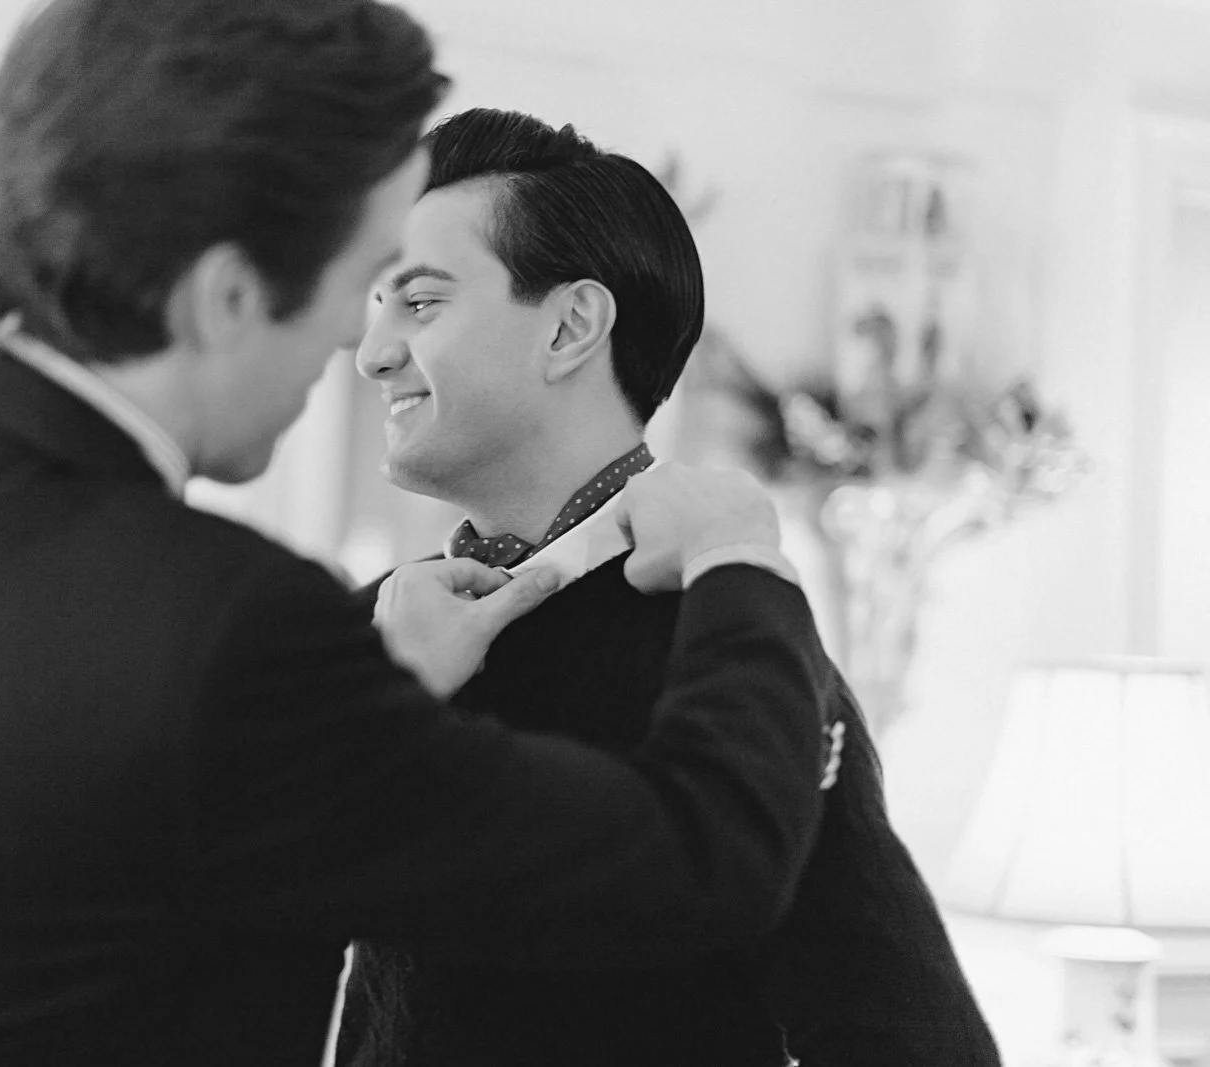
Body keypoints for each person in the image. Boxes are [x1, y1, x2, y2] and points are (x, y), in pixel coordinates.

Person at [0, 4, 842, 1065]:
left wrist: (379, 695)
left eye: (412, 297)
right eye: (357, 284)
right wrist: (740, 558)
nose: (360, 344)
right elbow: (707, 863)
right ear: (228, 297)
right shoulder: (229, 621)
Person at [338, 108, 1002, 1067]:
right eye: (375, 304)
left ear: (570, 327)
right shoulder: (367, 635)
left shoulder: (734, 650)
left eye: (420, 302)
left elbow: (913, 1043)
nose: (371, 351)